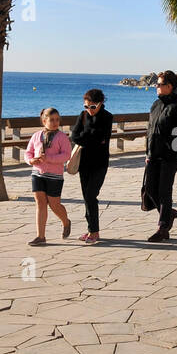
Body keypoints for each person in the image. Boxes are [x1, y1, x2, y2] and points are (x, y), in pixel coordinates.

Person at [145, 71, 177, 243]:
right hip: (153, 155)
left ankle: (163, 228)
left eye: (159, 84)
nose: (156, 87)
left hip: (170, 156)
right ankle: (170, 213)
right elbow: (150, 130)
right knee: (150, 189)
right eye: (156, 84)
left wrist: (171, 144)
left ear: (169, 87)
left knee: (164, 191)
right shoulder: (155, 105)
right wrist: (148, 153)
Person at [69, 89, 113, 244]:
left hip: (100, 163)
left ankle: (94, 232)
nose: (89, 110)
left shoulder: (107, 117)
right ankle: (91, 230)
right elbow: (74, 136)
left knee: (90, 195)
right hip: (84, 163)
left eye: (92, 107)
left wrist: (86, 139)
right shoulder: (82, 116)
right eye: (86, 106)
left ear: (100, 104)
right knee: (87, 198)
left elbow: (101, 137)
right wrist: (88, 139)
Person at [25, 108, 72, 246]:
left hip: (55, 176)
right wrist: (31, 160)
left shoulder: (62, 137)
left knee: (54, 204)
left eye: (57, 119)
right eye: (52, 120)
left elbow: (66, 155)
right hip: (37, 174)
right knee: (40, 203)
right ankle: (41, 236)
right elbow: (28, 152)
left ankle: (66, 222)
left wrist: (49, 158)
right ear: (44, 121)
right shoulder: (36, 136)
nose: (55, 122)